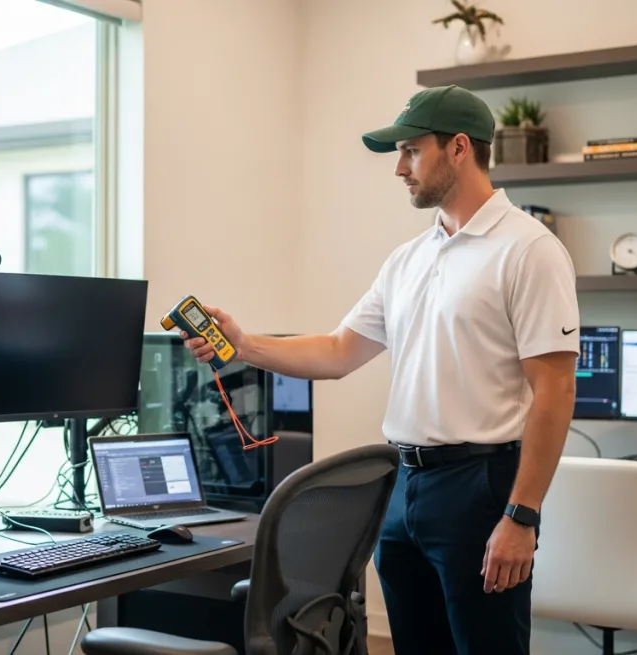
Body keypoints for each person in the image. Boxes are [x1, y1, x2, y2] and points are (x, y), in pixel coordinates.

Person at [179, 84, 579, 654]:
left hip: (481, 488)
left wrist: (522, 515)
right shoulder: (408, 259)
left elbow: (555, 391)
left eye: (411, 151)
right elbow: (340, 351)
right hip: (403, 486)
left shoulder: (529, 250)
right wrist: (242, 344)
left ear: (460, 148)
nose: (399, 168)